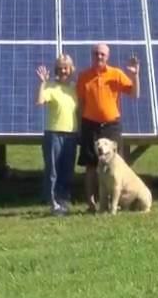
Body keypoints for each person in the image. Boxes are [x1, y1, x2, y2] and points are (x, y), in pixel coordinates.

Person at [76, 43, 141, 213]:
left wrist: (135, 76)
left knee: (115, 165)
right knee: (90, 165)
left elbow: (134, 94)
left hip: (111, 126)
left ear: (107, 56)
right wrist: (80, 126)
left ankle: (114, 203)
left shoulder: (116, 74)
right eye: (96, 54)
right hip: (90, 125)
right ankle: (91, 204)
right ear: (92, 55)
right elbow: (81, 104)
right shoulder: (84, 77)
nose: (99, 57)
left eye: (102, 54)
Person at [35, 54, 78, 216]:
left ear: (71, 69)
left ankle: (64, 198)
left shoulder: (75, 88)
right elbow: (39, 102)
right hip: (53, 133)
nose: (63, 71)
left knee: (67, 169)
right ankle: (52, 200)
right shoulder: (50, 86)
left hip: (71, 134)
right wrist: (42, 83)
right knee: (53, 169)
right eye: (60, 68)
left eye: (66, 68)